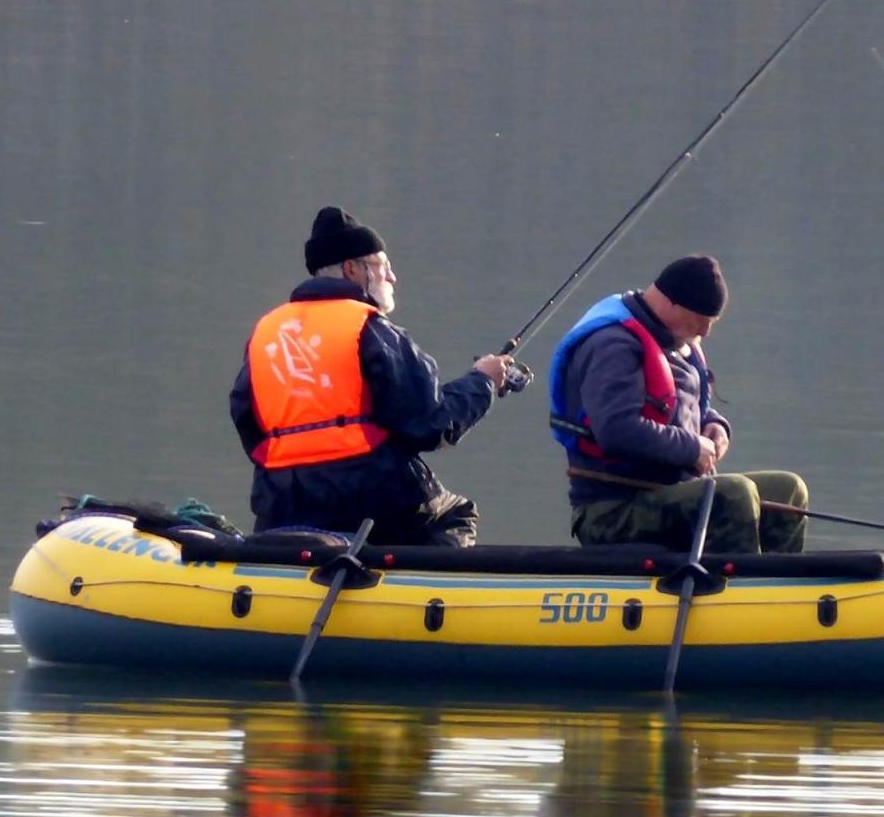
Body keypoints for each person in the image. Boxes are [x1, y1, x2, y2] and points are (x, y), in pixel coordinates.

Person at [230, 206, 514, 547]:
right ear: (353, 269)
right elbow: (430, 426)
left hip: (280, 503)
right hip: (371, 502)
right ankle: (428, 594)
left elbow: (247, 421)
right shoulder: (371, 328)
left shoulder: (267, 332)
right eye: (384, 266)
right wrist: (483, 381)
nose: (392, 278)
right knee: (455, 514)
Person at [548, 255, 808, 555]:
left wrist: (714, 425)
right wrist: (692, 448)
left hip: (670, 495)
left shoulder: (674, 340)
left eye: (712, 323)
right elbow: (616, 429)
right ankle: (734, 591)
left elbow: (676, 407)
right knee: (732, 494)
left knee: (788, 490)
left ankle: (779, 586)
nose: (705, 333)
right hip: (612, 512)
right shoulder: (613, 346)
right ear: (672, 303)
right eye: (701, 321)